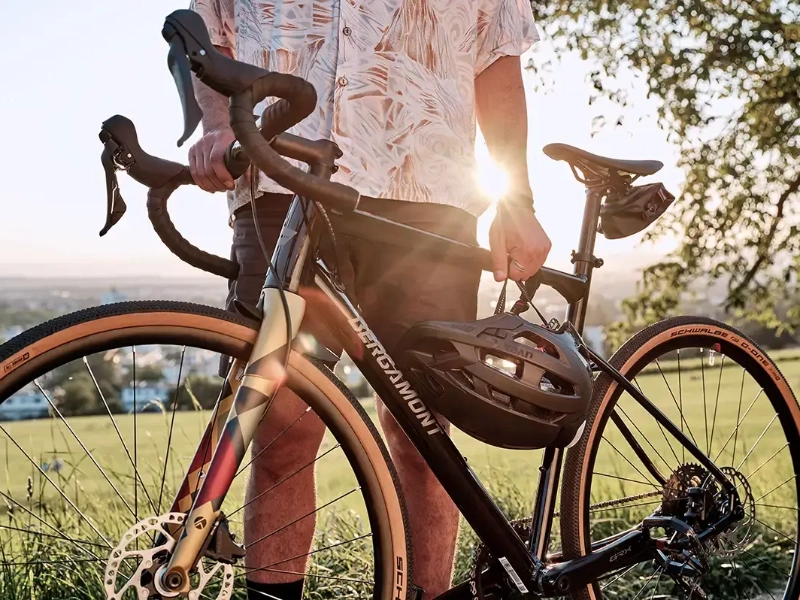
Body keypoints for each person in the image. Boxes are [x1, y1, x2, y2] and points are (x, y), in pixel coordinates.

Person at [187, 1, 551, 598]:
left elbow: (496, 61)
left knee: (421, 431)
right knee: (280, 423)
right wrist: (218, 125)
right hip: (285, 177)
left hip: (427, 191)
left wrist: (518, 199)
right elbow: (210, 31)